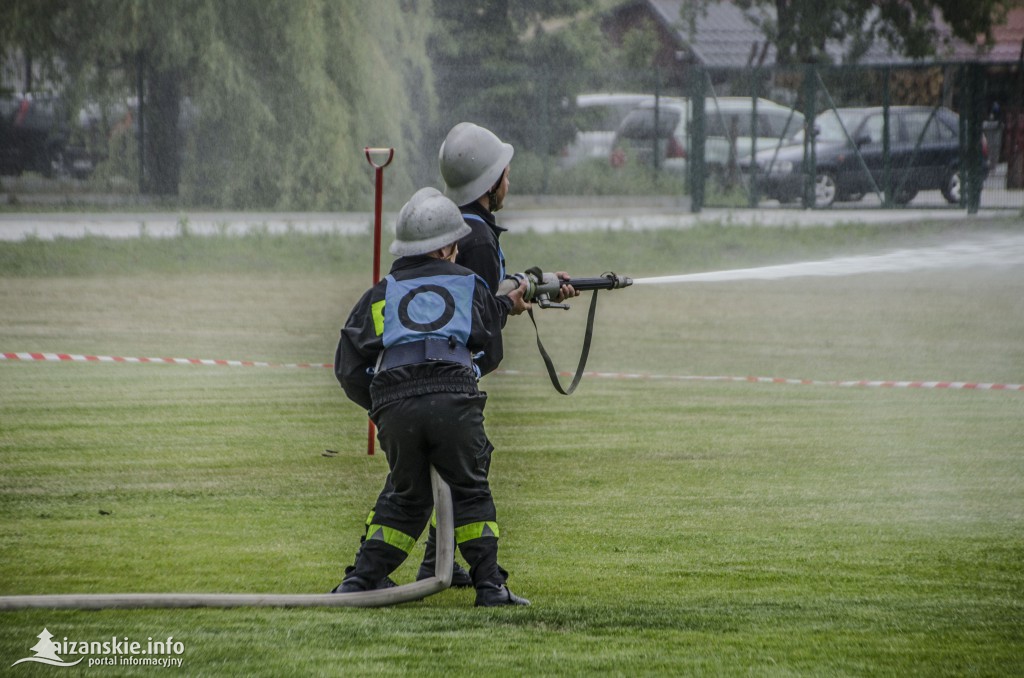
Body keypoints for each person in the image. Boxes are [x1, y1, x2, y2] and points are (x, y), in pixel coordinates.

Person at [332, 187, 530, 607]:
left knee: (407, 495)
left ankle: (361, 581)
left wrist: (382, 406)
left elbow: (348, 367)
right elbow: (488, 345)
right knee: (470, 490)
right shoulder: (468, 284)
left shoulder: (380, 293)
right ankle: (491, 587)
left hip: (394, 403)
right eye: (455, 245)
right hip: (454, 399)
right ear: (443, 249)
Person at [412, 122, 577, 586]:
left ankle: (437, 562)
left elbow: (480, 296)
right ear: (490, 183)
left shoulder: (462, 229)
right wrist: (515, 302)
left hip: (431, 369)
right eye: (505, 174)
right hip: (453, 374)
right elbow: (481, 316)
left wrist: (535, 284)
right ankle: (458, 570)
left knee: (447, 466)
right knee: (466, 463)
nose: (510, 182)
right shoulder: (479, 239)